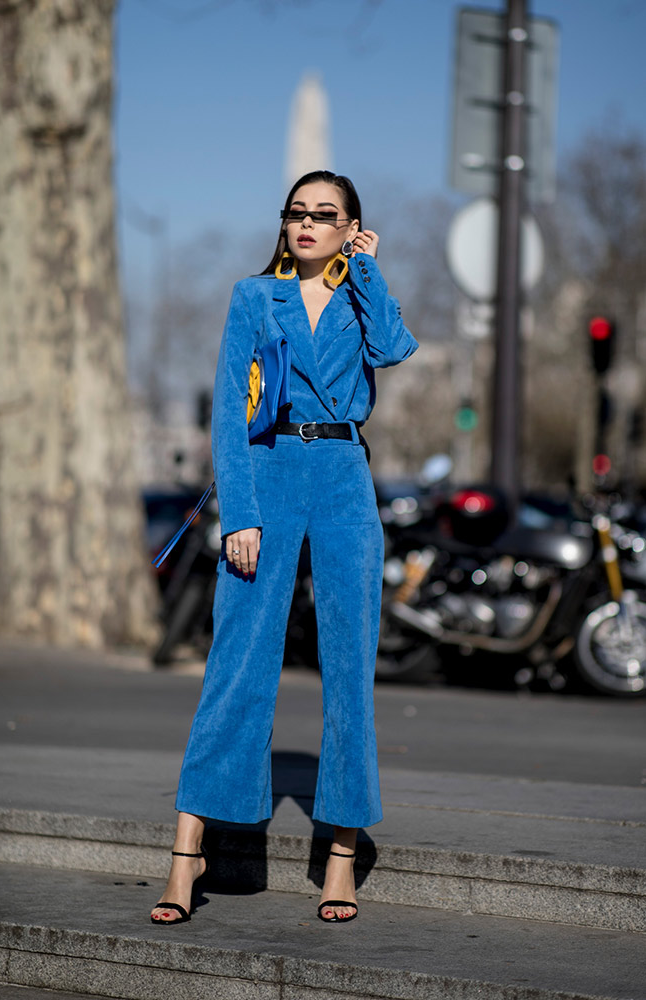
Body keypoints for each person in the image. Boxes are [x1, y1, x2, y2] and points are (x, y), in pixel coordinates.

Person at [150, 170, 418, 926]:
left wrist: (365, 268)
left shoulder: (358, 289)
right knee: (237, 663)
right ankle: (185, 853)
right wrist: (239, 512)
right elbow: (229, 417)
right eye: (296, 212)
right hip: (267, 478)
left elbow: (393, 348)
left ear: (349, 227)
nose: (306, 224)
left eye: (324, 215)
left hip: (343, 480)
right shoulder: (251, 296)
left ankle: (339, 857)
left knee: (348, 666)